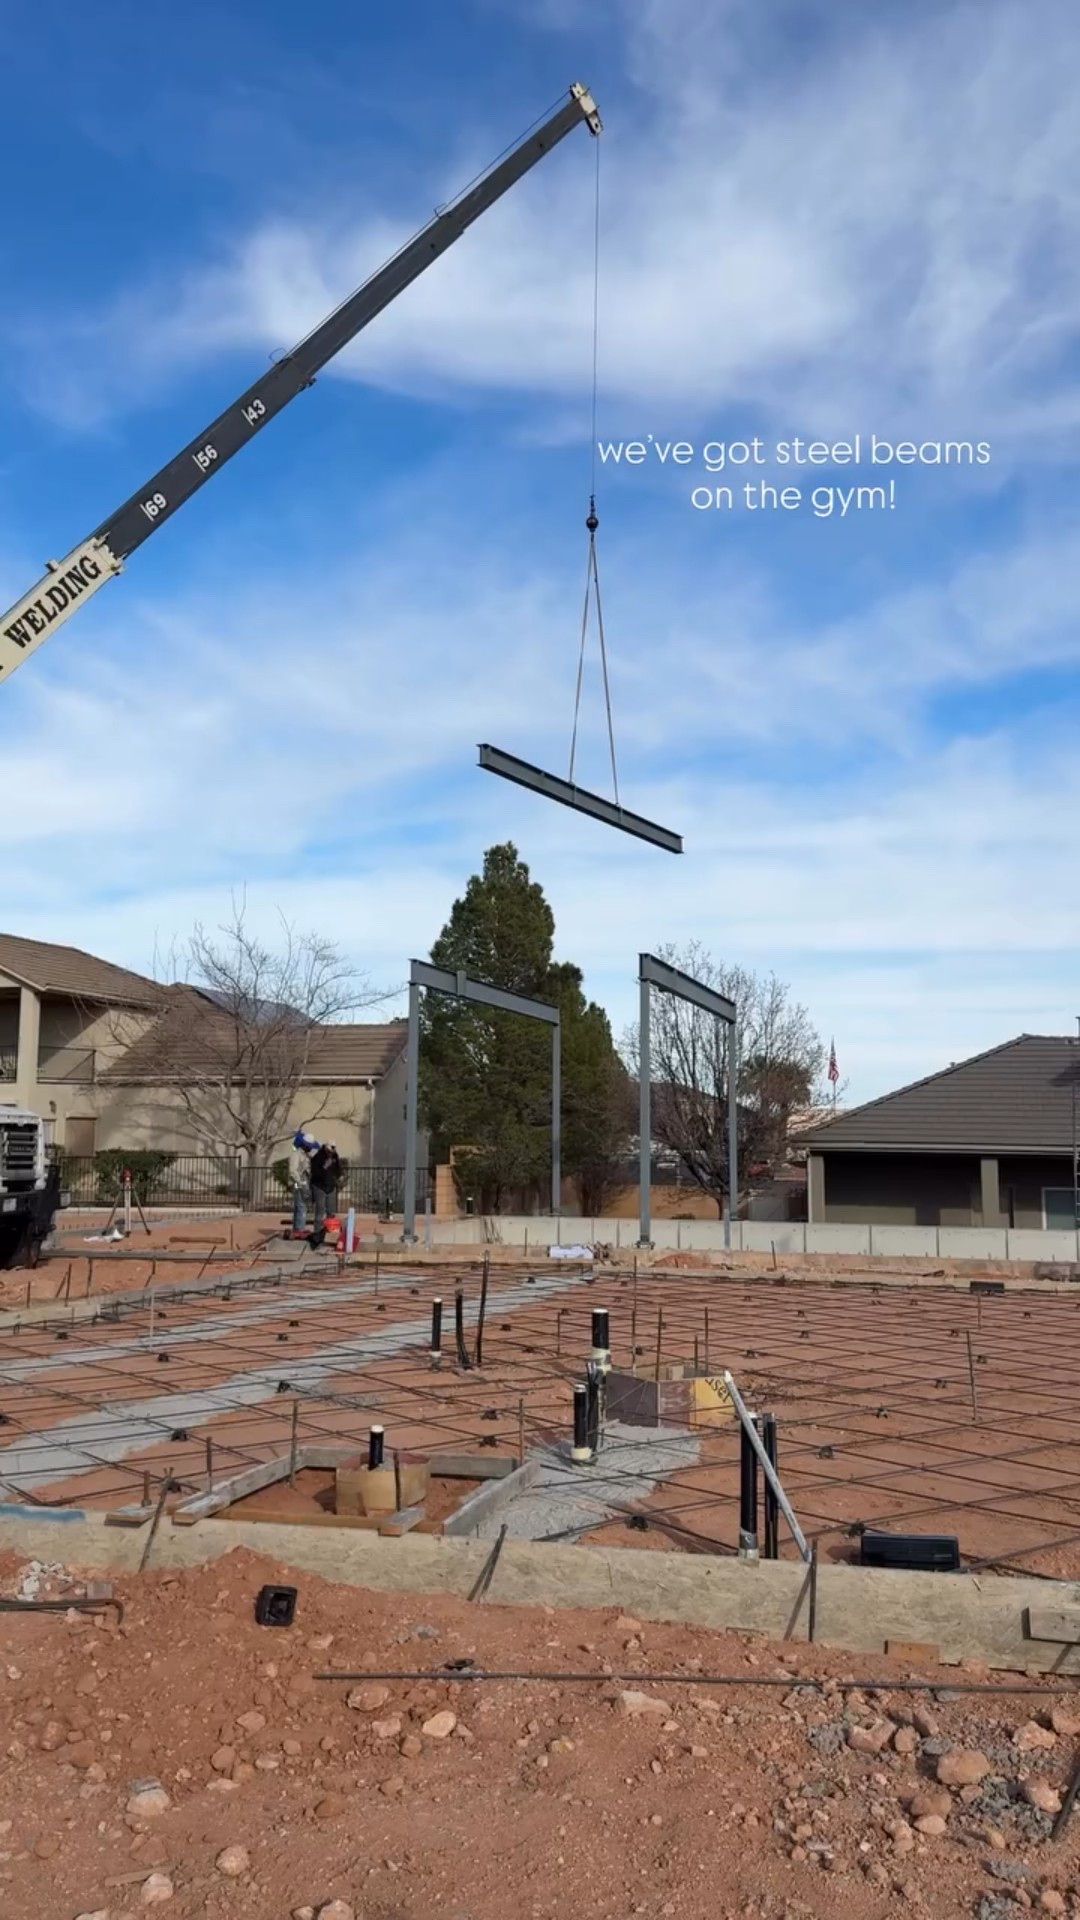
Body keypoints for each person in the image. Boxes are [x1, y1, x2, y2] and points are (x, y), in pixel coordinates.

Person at [309, 1141, 341, 1229]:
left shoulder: (335, 1156)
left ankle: (329, 1231)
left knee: (331, 1212)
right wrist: (325, 1167)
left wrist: (336, 1177)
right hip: (320, 1186)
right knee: (320, 1212)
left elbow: (338, 1170)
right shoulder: (318, 1157)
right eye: (330, 1151)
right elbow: (314, 1173)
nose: (331, 1153)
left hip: (331, 1187)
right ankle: (318, 1231)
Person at [289, 1133, 315, 1233]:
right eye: (309, 1146)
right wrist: (300, 1182)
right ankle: (299, 1228)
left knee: (300, 1205)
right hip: (297, 1182)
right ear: (305, 1144)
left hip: (304, 1181)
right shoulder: (296, 1154)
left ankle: (297, 1227)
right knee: (301, 1205)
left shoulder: (306, 1156)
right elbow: (293, 1171)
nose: (311, 1148)